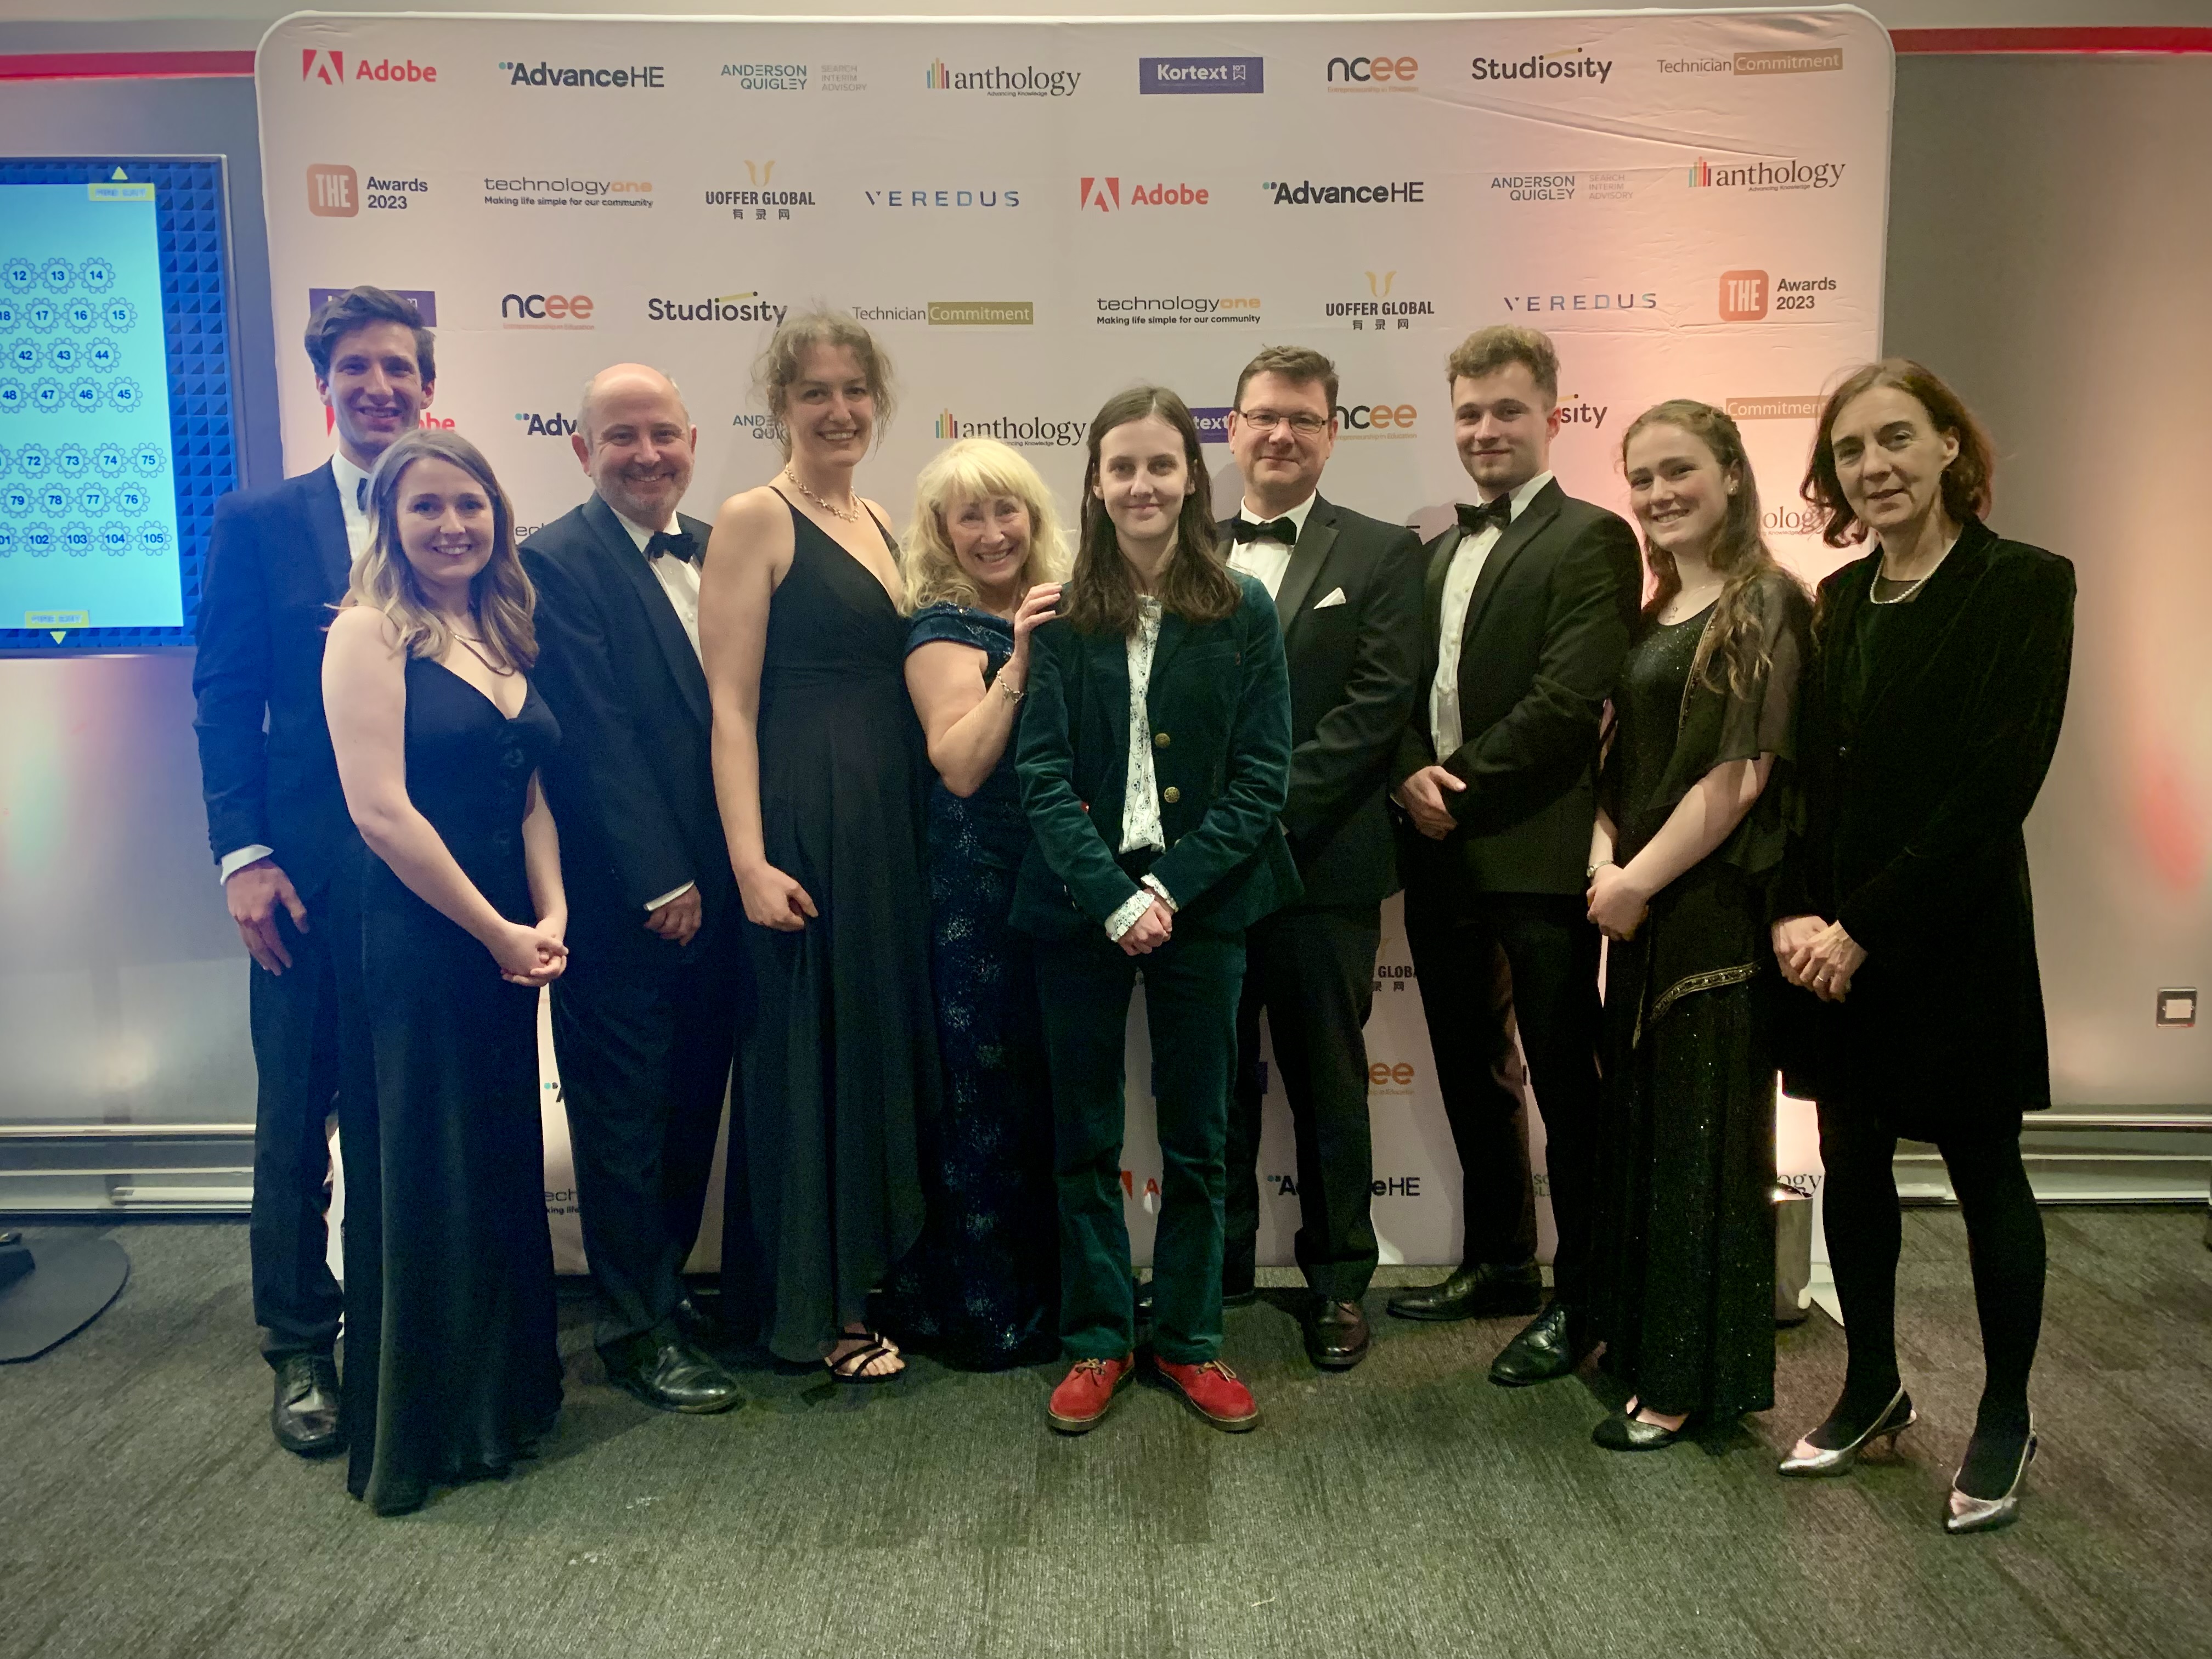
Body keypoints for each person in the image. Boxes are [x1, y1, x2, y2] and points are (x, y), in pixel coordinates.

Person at [1773, 360, 2074, 1535]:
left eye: (1896, 440)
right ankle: (1871, 1383)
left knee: (1986, 1172)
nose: (1874, 467)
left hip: (1952, 940)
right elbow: (1805, 781)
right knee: (1853, 1167)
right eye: (1852, 452)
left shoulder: (2027, 586)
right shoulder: (1838, 600)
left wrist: (1865, 928)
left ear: (1952, 446)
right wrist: (1798, 916)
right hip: (1832, 951)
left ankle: (2005, 1412)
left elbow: (1995, 786)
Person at [1015, 386, 1299, 1436]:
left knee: (1201, 1137)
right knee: (1084, 1135)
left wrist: (1169, 890)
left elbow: (1263, 779)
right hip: (1080, 905)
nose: (1142, 485)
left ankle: (1186, 1340)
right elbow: (1039, 776)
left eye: (1162, 466)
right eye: (1122, 467)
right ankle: (1097, 1339)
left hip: (1206, 903)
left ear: (1193, 476)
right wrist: (1111, 898)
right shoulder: (1056, 613)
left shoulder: (1244, 608)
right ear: (1094, 482)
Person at [192, 285, 435, 1457]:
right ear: (325, 385)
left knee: (405, 1109)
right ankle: (299, 1345)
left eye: (399, 368)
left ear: (427, 387)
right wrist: (242, 856)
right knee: (297, 1117)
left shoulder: (456, 514)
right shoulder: (261, 520)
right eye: (358, 370)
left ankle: (401, 1333)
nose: (380, 388)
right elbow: (227, 699)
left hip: (429, 883)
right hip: (300, 877)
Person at [1385, 325, 1642, 1389]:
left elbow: (1569, 697)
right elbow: (1396, 686)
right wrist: (1408, 770)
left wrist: (1456, 786)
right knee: (1471, 1068)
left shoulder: (1594, 538)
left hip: (1534, 852)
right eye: (1469, 413)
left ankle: (1585, 1296)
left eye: (1506, 410)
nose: (1486, 430)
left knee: (1565, 1086)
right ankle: (1500, 1261)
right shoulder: (1433, 546)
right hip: (1437, 853)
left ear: (1552, 415)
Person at [320, 429, 567, 1515]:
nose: (453, 525)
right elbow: (380, 813)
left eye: (470, 505)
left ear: (496, 514)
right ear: (390, 520)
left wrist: (549, 910)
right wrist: (493, 929)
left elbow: (528, 793)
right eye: (426, 508)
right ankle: (429, 1428)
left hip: (504, 938)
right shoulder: (368, 632)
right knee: (427, 1170)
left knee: (498, 1158)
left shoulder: (499, 625)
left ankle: (502, 1400)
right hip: (426, 939)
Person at [700, 313, 936, 1383]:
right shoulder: (756, 517)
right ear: (780, 407)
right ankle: (822, 1313)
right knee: (810, 1063)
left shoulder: (883, 518)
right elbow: (730, 710)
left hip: (883, 830)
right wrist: (747, 859)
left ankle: (858, 1278)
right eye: (815, 394)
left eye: (854, 391)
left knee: (865, 1054)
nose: (838, 410)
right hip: (802, 824)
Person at [1583, 401, 1810, 1451]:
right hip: (1640, 908)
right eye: (1641, 478)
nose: (1658, 494)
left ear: (1730, 471)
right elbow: (1619, 760)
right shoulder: (1662, 603)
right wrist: (1605, 862)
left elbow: (1740, 779)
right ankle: (1642, 1349)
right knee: (1648, 1139)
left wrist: (1635, 880)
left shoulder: (1767, 602)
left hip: (1710, 921)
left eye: (1678, 471)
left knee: (1701, 1156)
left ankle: (1684, 1381)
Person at [518, 365, 744, 1415]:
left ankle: (664, 1297)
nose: (647, 454)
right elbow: (595, 737)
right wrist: (662, 878)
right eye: (622, 438)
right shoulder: (553, 562)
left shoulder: (719, 546)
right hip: (630, 904)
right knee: (623, 1121)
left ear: (694, 440)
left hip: (725, 895)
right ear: (581, 452)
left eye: (664, 434)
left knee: (692, 1106)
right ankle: (632, 1329)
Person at [1216, 346, 1424, 1371]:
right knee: (1211, 1083)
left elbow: (1377, 708)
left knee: (1329, 1083)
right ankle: (1213, 1276)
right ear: (1233, 427)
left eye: (1303, 418)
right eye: (1262, 416)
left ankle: (1340, 1281)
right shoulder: (1184, 547)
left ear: (1334, 430)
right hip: (1205, 874)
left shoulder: (1385, 553)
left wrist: (1260, 812)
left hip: (1320, 865)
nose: (1280, 434)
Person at [874, 438, 1069, 1369]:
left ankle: (1054, 1294)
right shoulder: (942, 630)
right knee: (981, 1102)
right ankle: (984, 1310)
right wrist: (1023, 658)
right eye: (970, 517)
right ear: (942, 534)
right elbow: (959, 763)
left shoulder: (1062, 607)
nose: (993, 534)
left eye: (1008, 511)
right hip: (974, 896)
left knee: (1045, 1100)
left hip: (1058, 885)